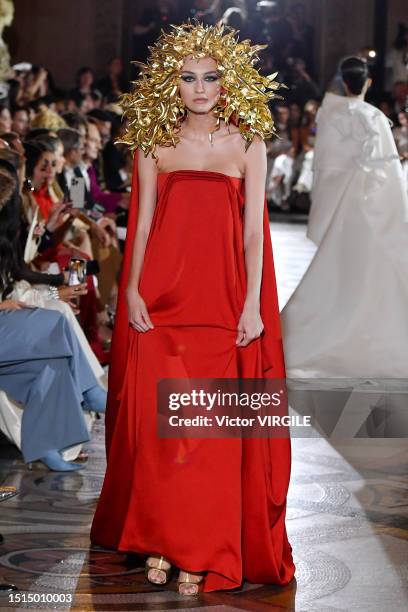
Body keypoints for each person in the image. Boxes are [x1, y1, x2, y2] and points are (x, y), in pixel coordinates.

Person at [91, 22, 295, 596]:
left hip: (225, 303)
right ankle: (160, 540)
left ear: (227, 80)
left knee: (208, 433)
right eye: (188, 77)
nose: (199, 88)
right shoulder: (156, 141)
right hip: (161, 302)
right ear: (171, 82)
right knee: (161, 433)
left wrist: (253, 303)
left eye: (209, 76)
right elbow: (144, 224)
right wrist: (131, 289)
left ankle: (201, 548)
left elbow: (255, 233)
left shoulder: (248, 141)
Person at [281, 57, 408, 378]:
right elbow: (387, 171)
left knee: (342, 271)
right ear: (366, 83)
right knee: (371, 272)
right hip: (369, 206)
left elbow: (326, 166)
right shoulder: (372, 117)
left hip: (342, 207)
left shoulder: (328, 113)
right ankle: (366, 335)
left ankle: (330, 330)